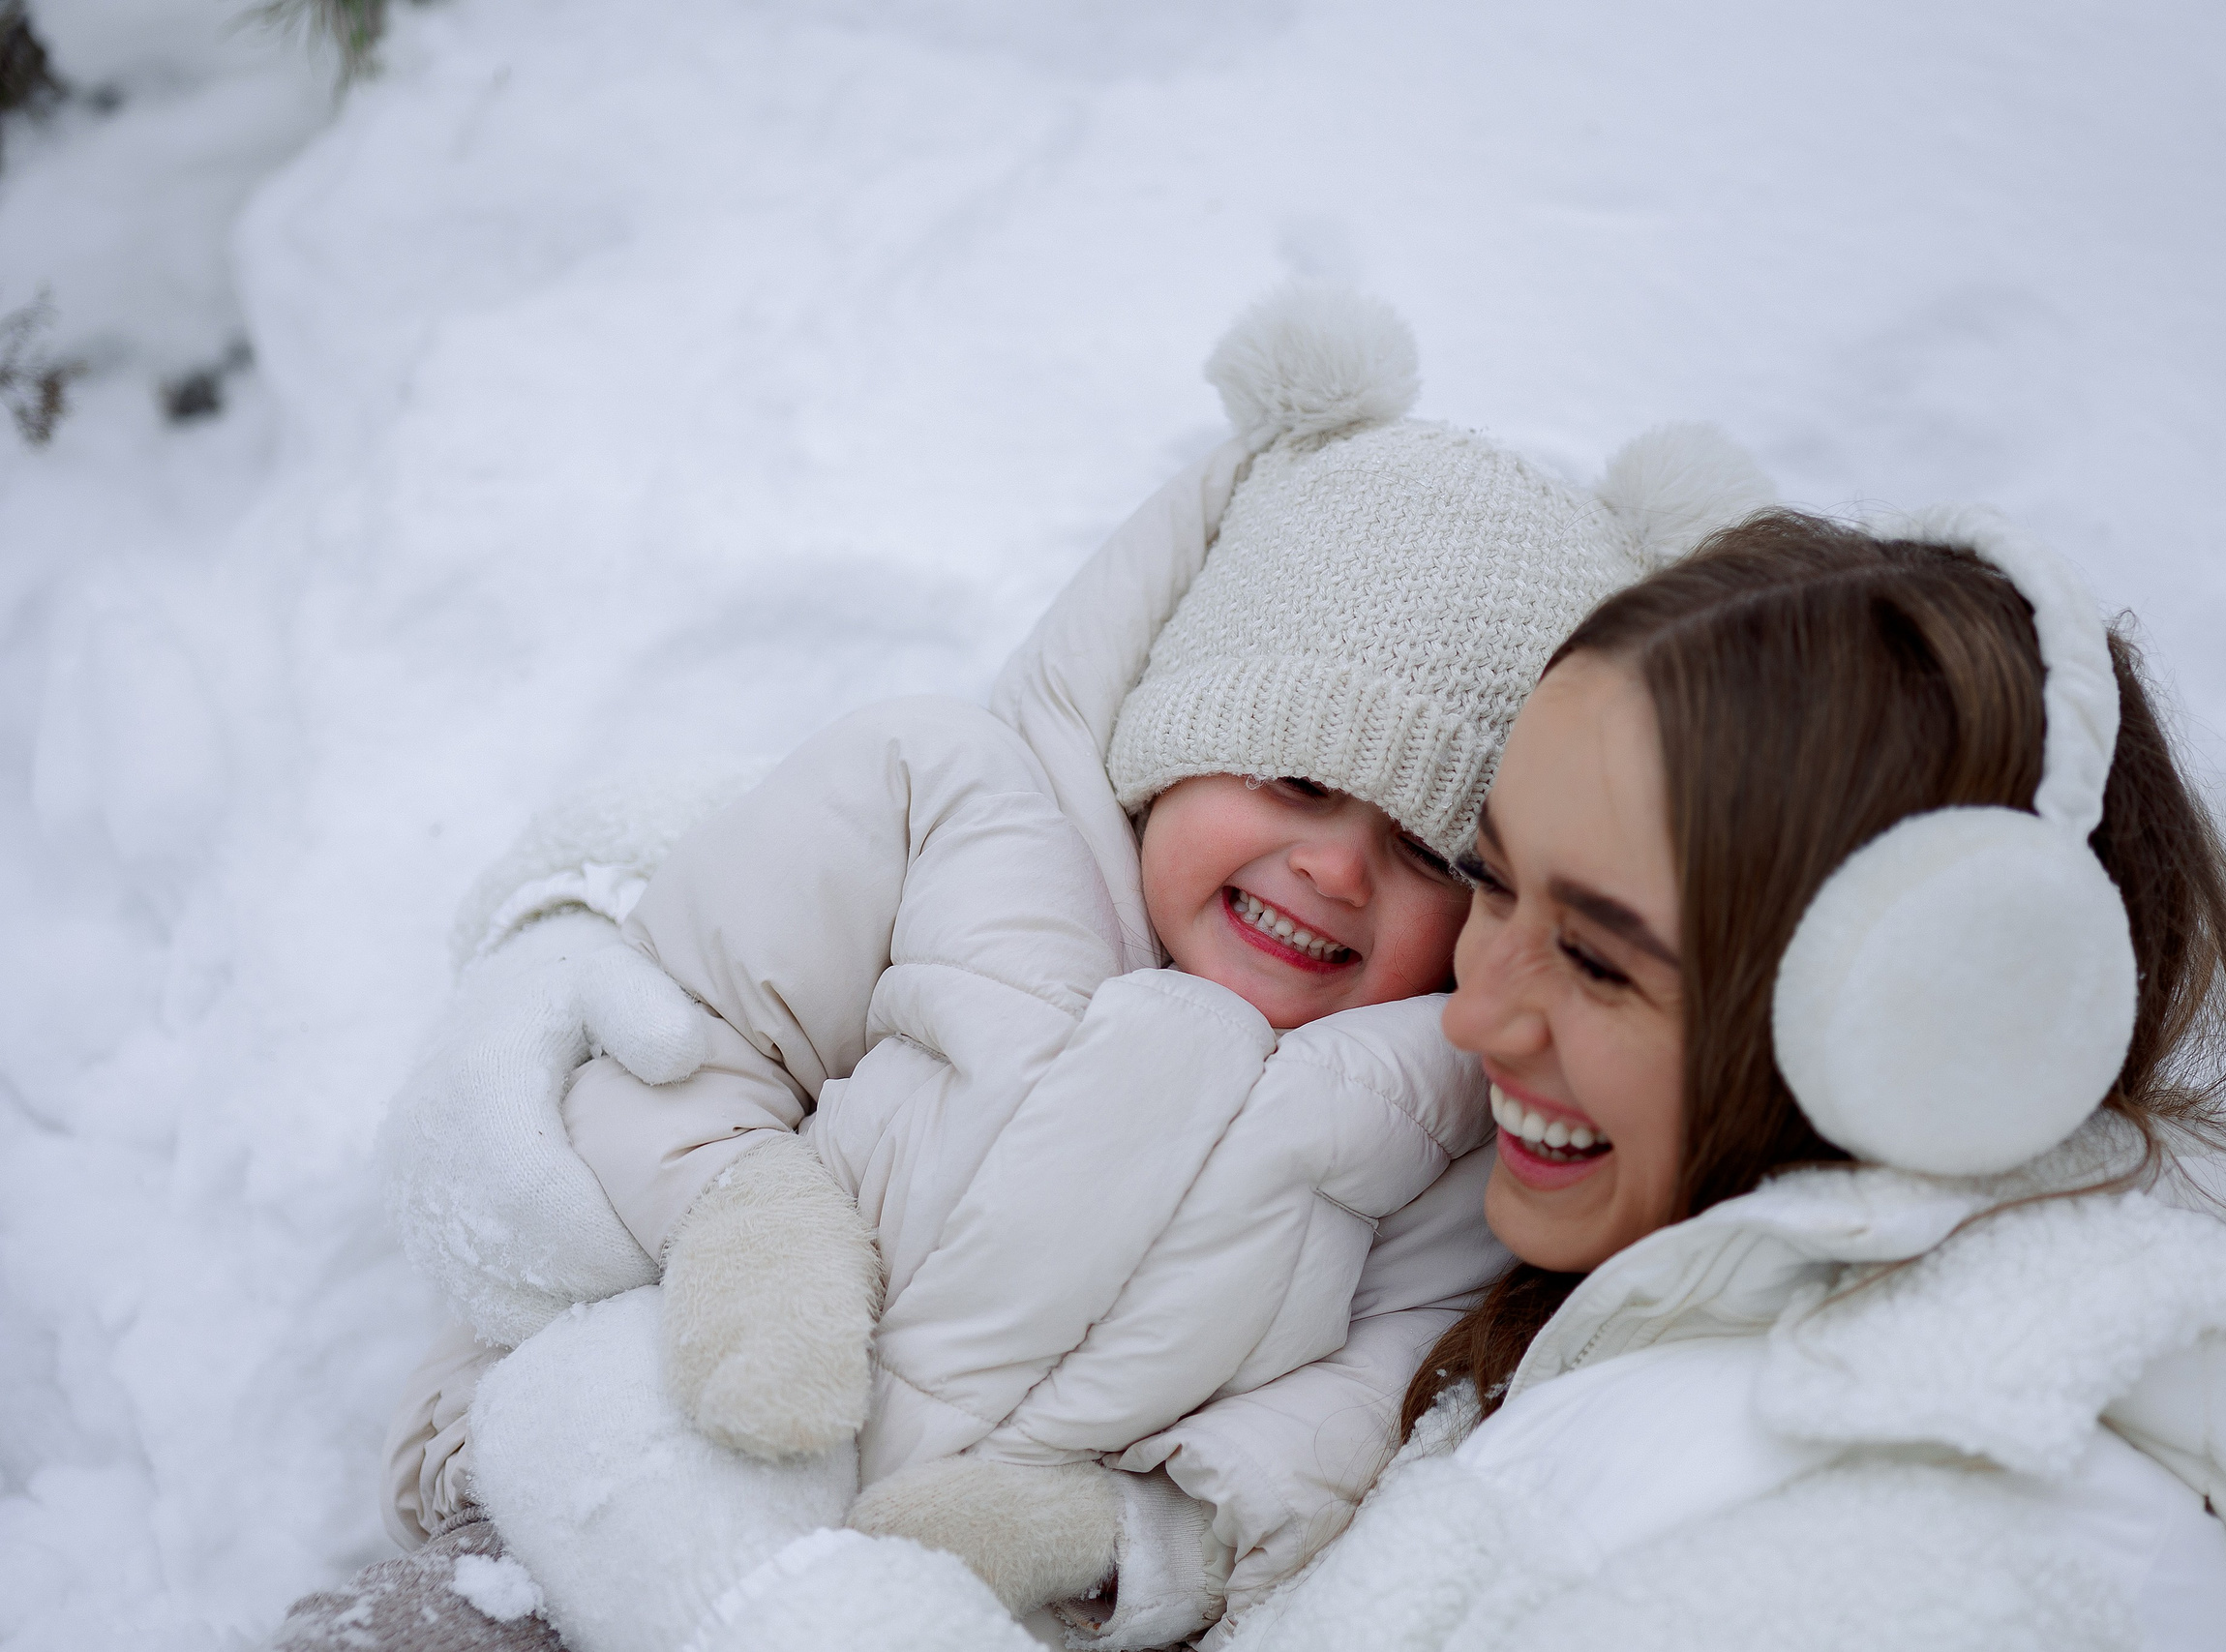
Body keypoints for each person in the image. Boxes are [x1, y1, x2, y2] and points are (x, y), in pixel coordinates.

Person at [630, 502, 2226, 1652]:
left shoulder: (1916, 1561)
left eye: (1595, 956)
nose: (1472, 1015)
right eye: (1495, 877)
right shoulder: (1651, 1319)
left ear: (1923, 1015)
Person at [272, 288, 1775, 1652]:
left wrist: (1114, 1540)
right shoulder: (948, 810)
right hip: (626, 1463)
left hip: (941, 1607)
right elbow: (679, 1026)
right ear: (1170, 732)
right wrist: (750, 1215)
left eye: (1428, 855)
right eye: (1293, 784)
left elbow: (1357, 1411)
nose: (1333, 869)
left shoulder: (1442, 1114)